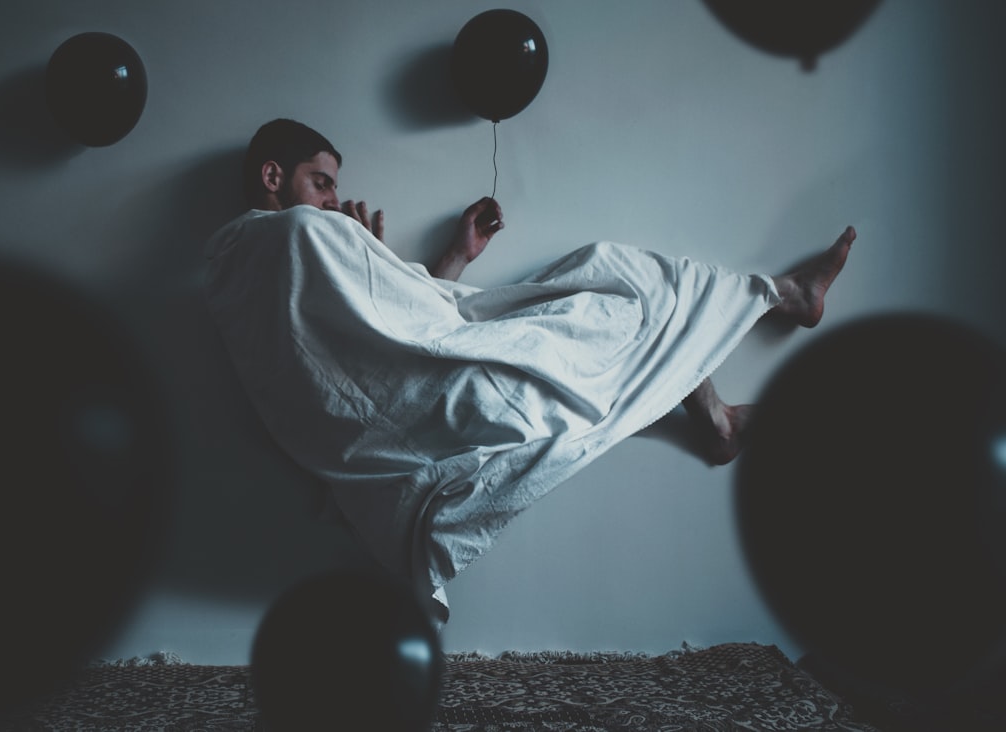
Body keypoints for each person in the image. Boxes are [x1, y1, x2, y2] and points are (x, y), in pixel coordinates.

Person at [205, 118, 854, 621]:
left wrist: (448, 259)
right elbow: (397, 344)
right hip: (445, 398)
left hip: (429, 395)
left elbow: (399, 331)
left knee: (606, 295)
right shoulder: (291, 236)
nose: (331, 202)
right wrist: (359, 250)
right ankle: (780, 304)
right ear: (272, 174)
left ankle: (722, 408)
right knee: (623, 283)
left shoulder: (232, 272)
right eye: (322, 183)